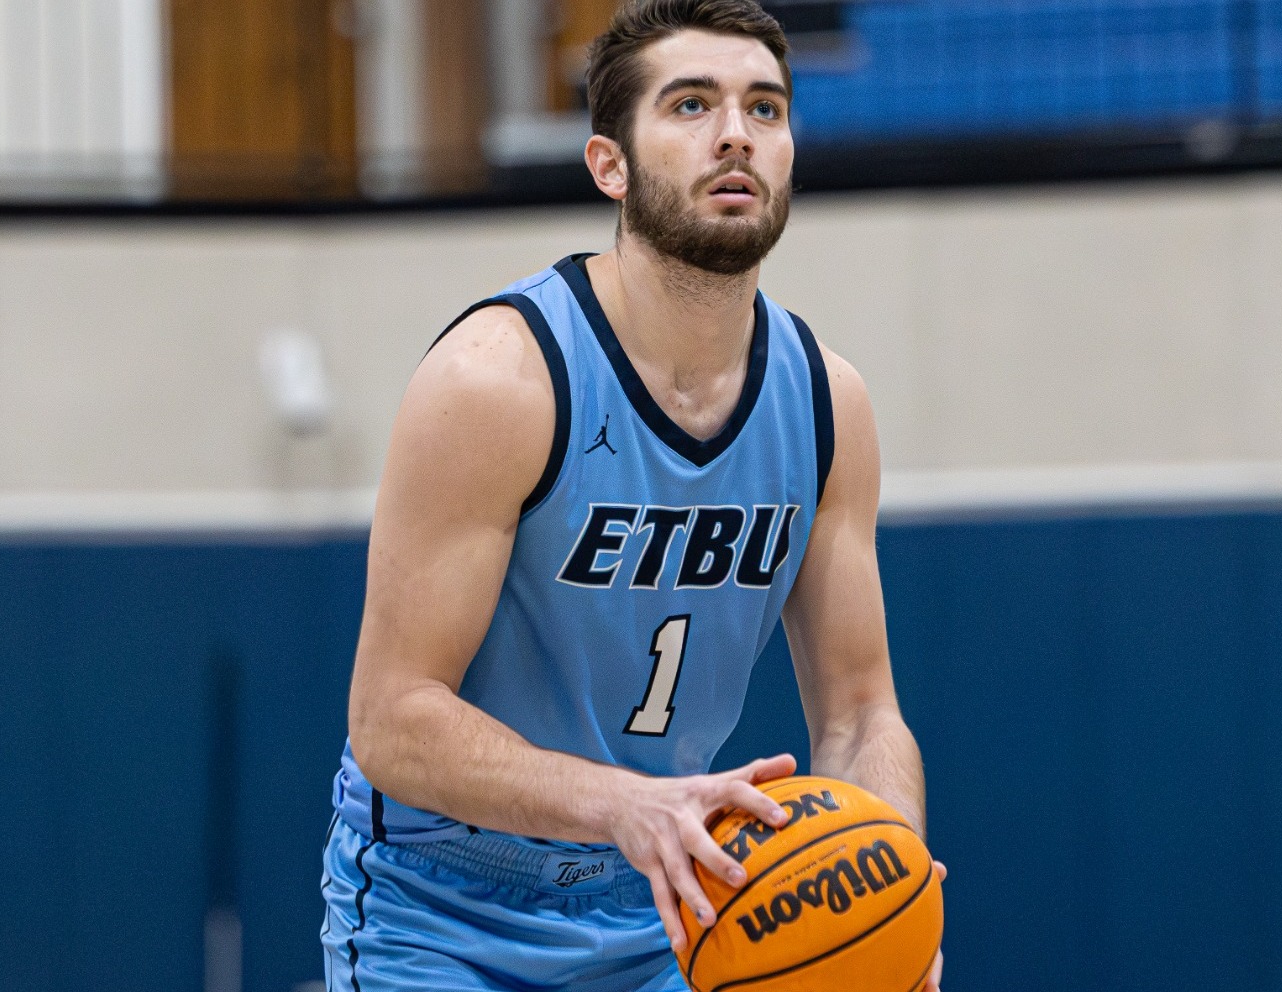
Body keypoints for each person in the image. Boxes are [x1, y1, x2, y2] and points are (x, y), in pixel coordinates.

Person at [320, 2, 940, 989]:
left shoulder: (827, 403)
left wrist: (886, 875)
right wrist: (622, 803)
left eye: (764, 109)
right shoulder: (498, 379)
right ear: (608, 164)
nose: (735, 132)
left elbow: (861, 711)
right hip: (444, 906)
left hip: (671, 896)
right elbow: (392, 716)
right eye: (690, 104)